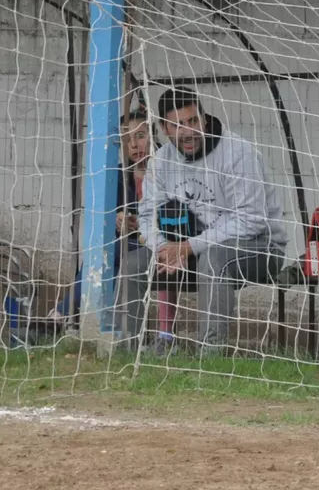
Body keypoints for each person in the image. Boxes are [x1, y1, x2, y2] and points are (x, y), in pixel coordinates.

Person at [117, 88, 288, 354]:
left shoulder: (238, 153)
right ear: (163, 129)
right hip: (191, 252)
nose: (188, 131)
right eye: (177, 125)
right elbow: (148, 215)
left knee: (214, 258)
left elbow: (251, 220)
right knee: (133, 264)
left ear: (204, 119)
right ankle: (127, 351)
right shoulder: (161, 162)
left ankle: (210, 353)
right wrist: (165, 249)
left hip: (260, 249)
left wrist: (188, 247)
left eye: (193, 121)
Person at [48, 110, 178, 342]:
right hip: (132, 244)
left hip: (168, 241)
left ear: (153, 134)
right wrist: (118, 219)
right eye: (126, 140)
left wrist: (145, 223)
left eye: (140, 136)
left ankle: (62, 314)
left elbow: (179, 213)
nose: (135, 145)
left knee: (121, 254)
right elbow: (104, 219)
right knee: (108, 250)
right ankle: (98, 325)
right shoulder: (117, 176)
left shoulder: (171, 169)